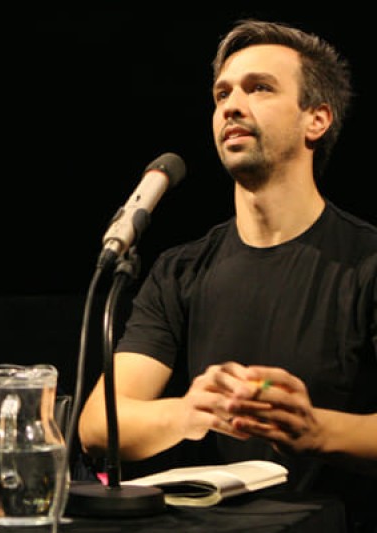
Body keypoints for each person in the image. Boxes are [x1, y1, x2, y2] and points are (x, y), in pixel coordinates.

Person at [77, 19, 377, 532]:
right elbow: (98, 424)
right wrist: (190, 411)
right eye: (222, 94)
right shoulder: (181, 269)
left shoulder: (366, 261)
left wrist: (315, 430)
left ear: (317, 120)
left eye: (259, 88)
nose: (231, 105)